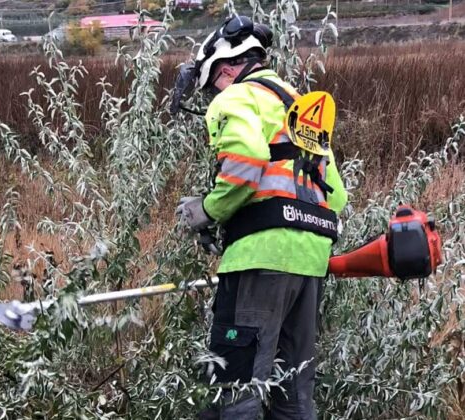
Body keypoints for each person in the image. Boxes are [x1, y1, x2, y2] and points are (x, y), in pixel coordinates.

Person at [174, 15, 348, 420]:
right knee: (294, 395)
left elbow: (246, 162)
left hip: (259, 261)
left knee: (236, 390)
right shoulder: (300, 105)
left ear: (227, 68)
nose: (211, 96)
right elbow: (336, 194)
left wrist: (208, 209)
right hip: (309, 262)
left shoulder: (235, 97)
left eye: (211, 85)